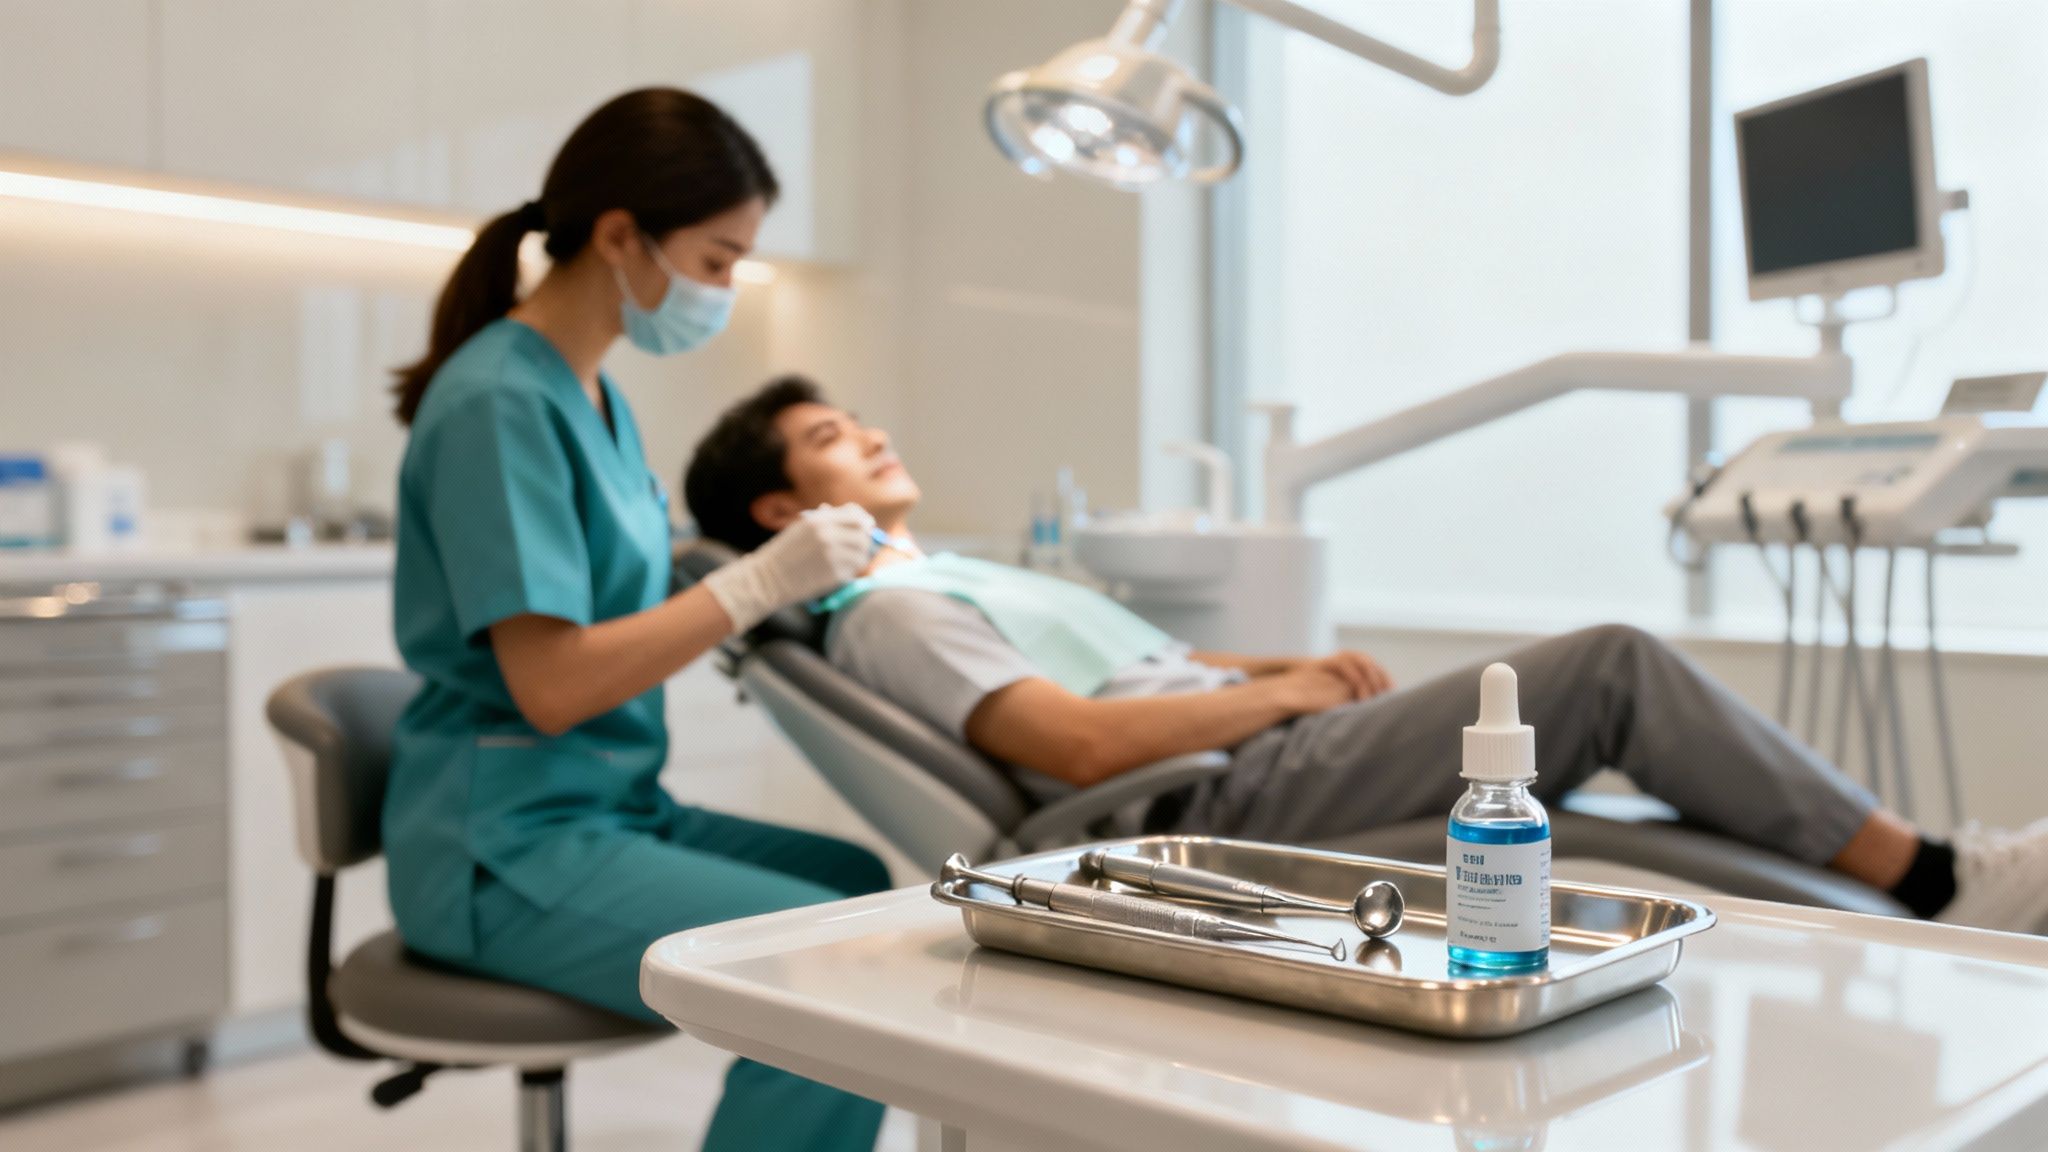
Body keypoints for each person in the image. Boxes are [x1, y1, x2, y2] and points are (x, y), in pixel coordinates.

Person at [683, 376, 2048, 934]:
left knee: (1585, 803)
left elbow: (1127, 668)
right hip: (1215, 797)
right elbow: (1074, 747)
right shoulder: (893, 611)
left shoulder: (958, 570)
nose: (865, 437)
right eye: (826, 441)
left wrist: (1276, 667)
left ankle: (1890, 884)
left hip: (1252, 745)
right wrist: (1276, 693)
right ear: (783, 514)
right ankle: (1934, 879)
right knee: (1607, 669)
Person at [386, 91, 888, 1151]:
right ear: (620, 235)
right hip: (502, 847)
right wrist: (752, 586)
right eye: (714, 260)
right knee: (832, 979)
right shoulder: (498, 403)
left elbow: (629, 591)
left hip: (609, 809)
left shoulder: (595, 398)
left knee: (856, 892)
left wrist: (775, 581)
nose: (722, 290)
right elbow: (554, 684)